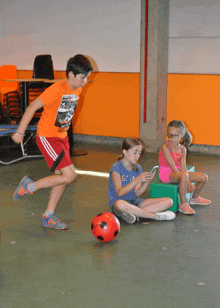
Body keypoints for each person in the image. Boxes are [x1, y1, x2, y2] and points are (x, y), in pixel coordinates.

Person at [12, 54, 93, 229]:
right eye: (83, 77)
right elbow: (33, 106)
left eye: (87, 77)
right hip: (48, 137)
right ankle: (29, 186)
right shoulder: (57, 89)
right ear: (71, 74)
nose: (85, 81)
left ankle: (48, 216)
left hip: (62, 137)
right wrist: (20, 131)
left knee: (61, 177)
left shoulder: (77, 88)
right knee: (70, 176)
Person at [108, 137, 176, 223]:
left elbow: (137, 193)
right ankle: (155, 216)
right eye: (135, 152)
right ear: (125, 152)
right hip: (120, 204)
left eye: (139, 153)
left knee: (169, 201)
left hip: (135, 202)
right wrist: (137, 180)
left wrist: (147, 181)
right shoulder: (116, 168)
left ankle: (134, 213)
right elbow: (120, 192)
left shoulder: (137, 168)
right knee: (120, 204)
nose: (137, 156)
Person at [158, 120, 211, 215]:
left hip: (179, 173)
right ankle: (183, 204)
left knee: (204, 177)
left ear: (182, 135)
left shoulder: (183, 149)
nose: (172, 138)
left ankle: (194, 198)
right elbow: (173, 167)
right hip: (166, 174)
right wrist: (187, 182)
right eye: (170, 135)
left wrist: (188, 181)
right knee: (183, 176)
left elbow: (183, 168)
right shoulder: (165, 147)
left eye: (176, 135)